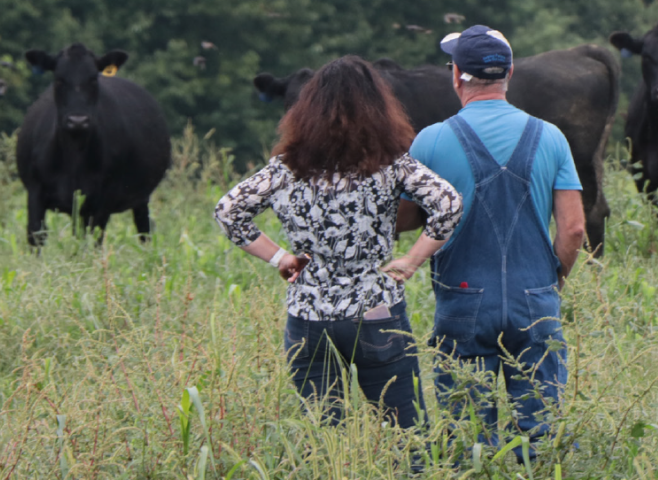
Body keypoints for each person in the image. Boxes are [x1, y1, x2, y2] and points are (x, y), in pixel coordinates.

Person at [214, 56, 462, 430]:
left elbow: (228, 210)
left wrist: (280, 257)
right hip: (377, 311)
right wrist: (412, 259)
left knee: (326, 436)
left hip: (308, 318)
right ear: (378, 108)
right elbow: (449, 203)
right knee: (407, 434)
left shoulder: (285, 168)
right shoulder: (393, 164)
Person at [398, 25, 587, 459]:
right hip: (534, 297)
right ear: (511, 73)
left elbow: (404, 220)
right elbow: (574, 229)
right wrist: (552, 280)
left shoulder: (431, 140)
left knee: (467, 436)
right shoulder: (551, 137)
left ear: (456, 75)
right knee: (543, 432)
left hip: (463, 300)